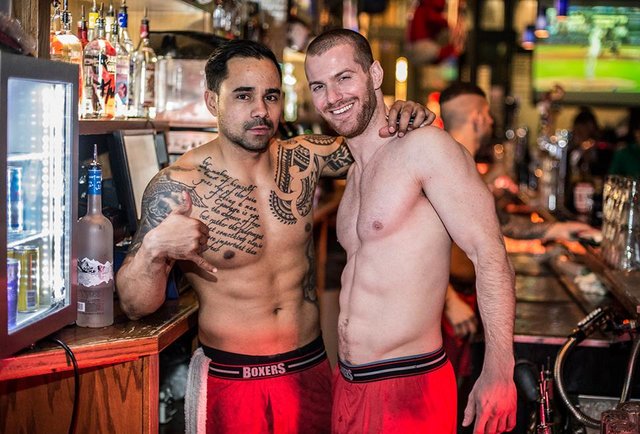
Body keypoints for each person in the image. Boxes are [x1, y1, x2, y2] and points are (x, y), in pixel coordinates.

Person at [115, 39, 434, 434]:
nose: (261, 111)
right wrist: (154, 248)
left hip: (309, 369)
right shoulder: (177, 187)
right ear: (212, 101)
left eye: (271, 96)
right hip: (233, 379)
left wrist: (405, 113)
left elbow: (379, 141)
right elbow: (135, 306)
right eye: (243, 95)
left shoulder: (305, 158)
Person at [304, 29, 516, 434]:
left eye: (344, 77)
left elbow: (489, 253)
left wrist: (499, 369)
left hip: (409, 385)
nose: (332, 96)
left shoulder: (425, 148)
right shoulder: (354, 171)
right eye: (319, 86)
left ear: (375, 74)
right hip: (349, 383)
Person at [438, 82, 598, 389]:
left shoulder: (463, 163)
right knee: (443, 393)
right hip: (445, 302)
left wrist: (556, 229)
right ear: (477, 118)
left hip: (461, 295)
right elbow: (416, 244)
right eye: (487, 114)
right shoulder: (445, 164)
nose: (491, 121)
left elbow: (499, 222)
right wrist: (449, 301)